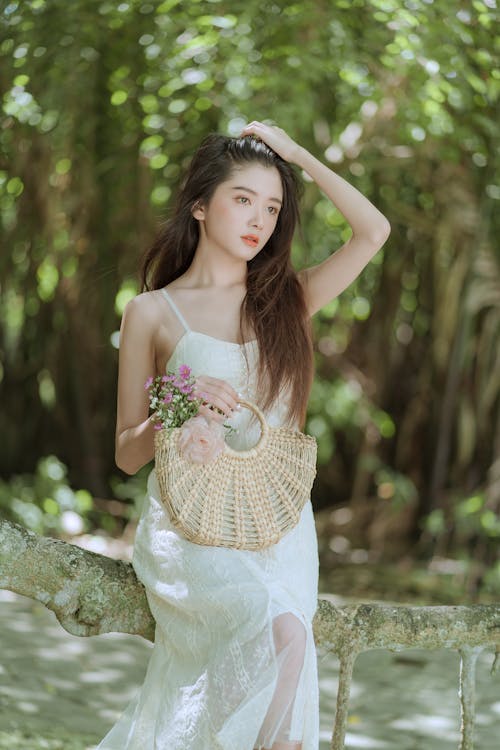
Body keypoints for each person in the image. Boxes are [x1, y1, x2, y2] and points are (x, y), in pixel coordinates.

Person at [96, 121, 390, 750]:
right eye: (243, 198)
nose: (260, 218)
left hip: (278, 526)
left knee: (287, 671)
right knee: (282, 631)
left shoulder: (288, 300)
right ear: (200, 206)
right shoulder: (151, 312)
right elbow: (125, 453)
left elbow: (374, 232)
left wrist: (296, 156)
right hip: (191, 526)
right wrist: (177, 405)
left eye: (273, 205)